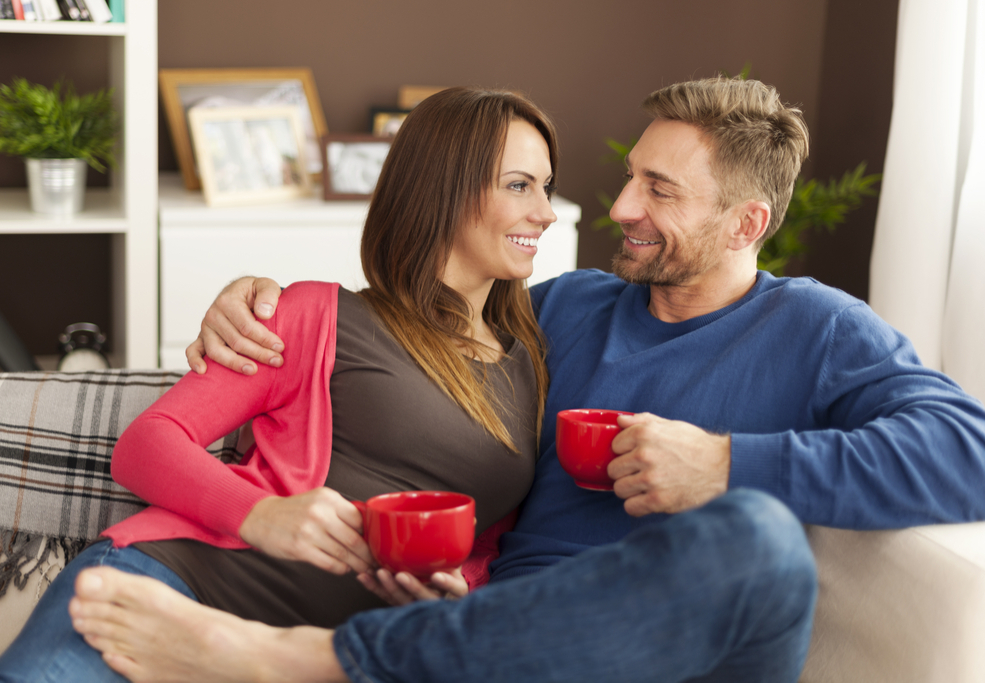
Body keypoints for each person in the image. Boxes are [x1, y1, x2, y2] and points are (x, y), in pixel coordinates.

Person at [69, 76, 985, 682]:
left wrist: (725, 465)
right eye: (630, 177)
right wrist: (253, 299)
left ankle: (309, 661)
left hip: (685, 651)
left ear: (747, 223)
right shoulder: (560, 310)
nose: (619, 207)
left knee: (753, 536)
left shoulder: (817, 329)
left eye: (660, 192)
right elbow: (409, 323)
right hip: (494, 648)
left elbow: (968, 452)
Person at [0, 87, 561, 682]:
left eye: (545, 185)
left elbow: (482, 548)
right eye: (519, 185)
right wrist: (261, 514)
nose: (545, 211)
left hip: (307, 660)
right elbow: (147, 444)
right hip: (180, 588)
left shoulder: (533, 362)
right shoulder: (318, 314)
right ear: (444, 187)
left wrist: (454, 593)